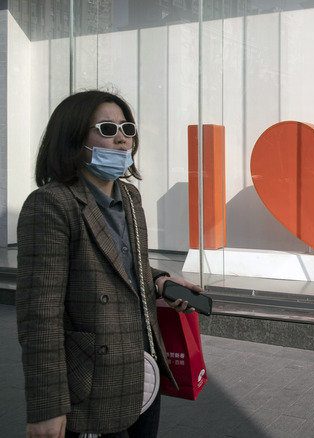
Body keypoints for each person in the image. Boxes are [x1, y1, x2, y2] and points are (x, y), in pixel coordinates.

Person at [16, 90, 203, 438]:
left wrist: (159, 281)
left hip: (144, 371)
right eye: (105, 127)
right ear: (73, 138)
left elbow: (125, 263)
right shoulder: (51, 205)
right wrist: (47, 406)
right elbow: (39, 315)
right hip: (89, 385)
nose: (121, 137)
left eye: (127, 127)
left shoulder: (130, 197)